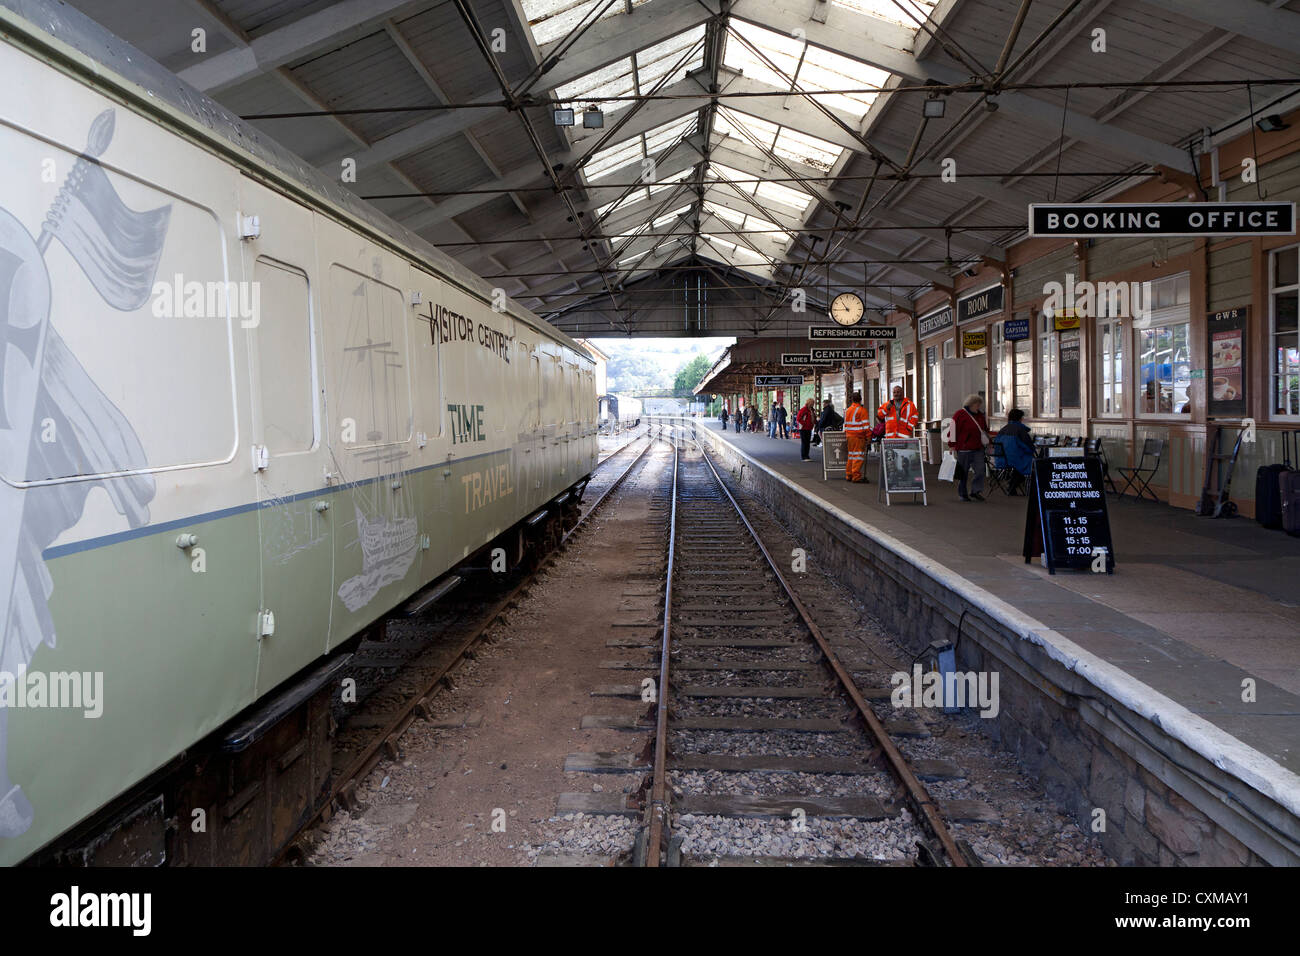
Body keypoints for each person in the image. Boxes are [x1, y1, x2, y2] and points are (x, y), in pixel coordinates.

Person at [949, 393, 990, 501]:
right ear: (971, 404)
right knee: (964, 472)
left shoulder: (980, 415)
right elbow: (953, 430)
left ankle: (976, 491)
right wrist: (952, 445)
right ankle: (962, 493)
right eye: (977, 404)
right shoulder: (960, 414)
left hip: (978, 448)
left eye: (979, 404)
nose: (979, 406)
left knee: (980, 470)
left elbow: (984, 429)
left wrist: (988, 441)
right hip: (964, 448)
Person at [996, 408, 1034, 494]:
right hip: (1014, 459)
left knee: (1019, 466)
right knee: (1028, 464)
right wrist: (1032, 450)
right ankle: (1012, 486)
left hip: (1001, 459)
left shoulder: (1003, 429)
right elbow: (1029, 447)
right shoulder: (1020, 430)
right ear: (1020, 418)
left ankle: (1011, 487)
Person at [843, 391, 870, 483]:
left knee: (851, 456)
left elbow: (846, 424)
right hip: (858, 437)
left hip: (849, 436)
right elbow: (866, 426)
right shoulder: (862, 410)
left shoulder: (848, 410)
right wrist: (869, 437)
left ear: (852, 400)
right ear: (860, 399)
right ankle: (856, 476)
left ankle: (849, 474)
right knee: (858, 456)